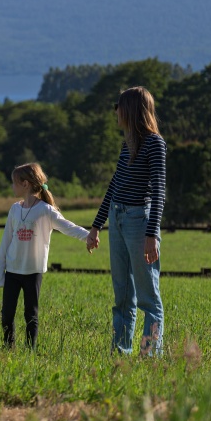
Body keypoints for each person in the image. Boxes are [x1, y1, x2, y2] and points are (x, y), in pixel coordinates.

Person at [85, 86, 167, 356]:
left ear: (131, 109)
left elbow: (158, 191)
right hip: (117, 218)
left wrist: (152, 234)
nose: (115, 111)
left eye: (118, 105)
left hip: (138, 222)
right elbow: (114, 186)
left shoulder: (155, 143)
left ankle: (149, 355)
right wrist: (96, 226)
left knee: (148, 297)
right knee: (122, 297)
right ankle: (120, 353)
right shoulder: (127, 143)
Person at [0, 162, 90, 349]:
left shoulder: (46, 210)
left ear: (25, 184)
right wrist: (0, 274)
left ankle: (31, 350)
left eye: (14, 183)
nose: (12, 187)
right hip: (13, 271)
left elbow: (67, 226)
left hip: (33, 272)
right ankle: (8, 348)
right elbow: (5, 242)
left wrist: (88, 236)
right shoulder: (14, 209)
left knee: (31, 313)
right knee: (7, 314)